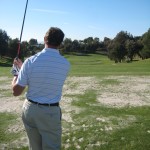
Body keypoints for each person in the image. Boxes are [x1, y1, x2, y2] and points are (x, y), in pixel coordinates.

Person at [11, 27, 70, 150]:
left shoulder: (30, 62)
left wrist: (17, 74)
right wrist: (23, 68)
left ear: (44, 39)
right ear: (60, 43)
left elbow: (16, 91)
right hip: (50, 112)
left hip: (30, 110)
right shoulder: (65, 64)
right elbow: (45, 73)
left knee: (34, 147)